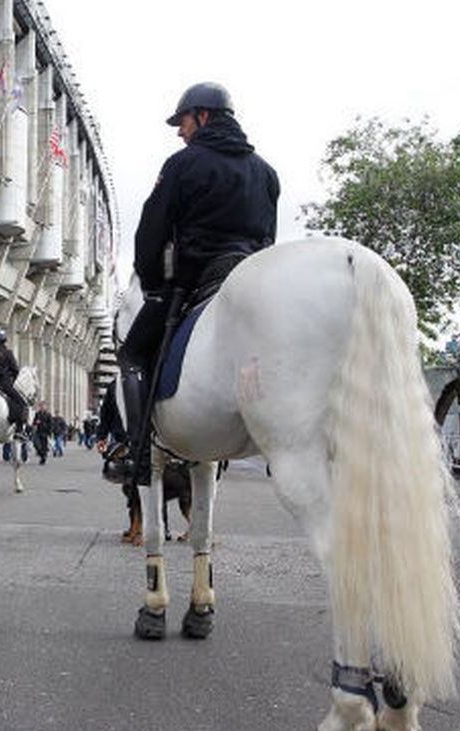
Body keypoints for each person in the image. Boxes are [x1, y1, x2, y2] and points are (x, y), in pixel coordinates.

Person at [118, 81, 279, 486]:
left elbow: (151, 230)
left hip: (196, 279)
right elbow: (269, 238)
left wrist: (155, 283)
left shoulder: (183, 163)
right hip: (253, 276)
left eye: (183, 121)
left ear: (203, 116)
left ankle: (135, 454)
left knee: (132, 356)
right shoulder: (267, 173)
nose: (179, 130)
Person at [0, 329, 29, 435]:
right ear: (4, 341)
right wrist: (11, 381)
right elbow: (15, 370)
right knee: (22, 403)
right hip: (3, 384)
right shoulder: (7, 353)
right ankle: (19, 430)